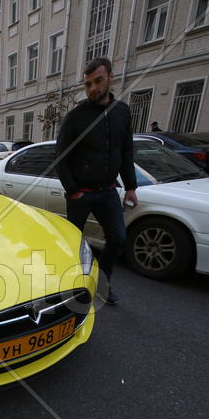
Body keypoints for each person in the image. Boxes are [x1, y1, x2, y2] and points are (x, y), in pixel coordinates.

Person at [55, 57, 137, 306]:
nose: (93, 88)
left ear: (110, 78)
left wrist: (131, 187)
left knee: (118, 238)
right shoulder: (76, 117)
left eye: (98, 81)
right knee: (73, 245)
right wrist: (74, 190)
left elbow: (126, 151)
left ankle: (102, 283)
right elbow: (60, 156)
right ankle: (73, 288)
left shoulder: (122, 112)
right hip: (81, 194)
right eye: (88, 84)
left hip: (108, 191)